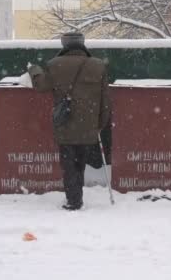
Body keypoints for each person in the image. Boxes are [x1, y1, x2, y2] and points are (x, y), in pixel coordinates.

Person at [28, 31, 110, 211]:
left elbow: (41, 86)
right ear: (82, 43)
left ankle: (73, 200)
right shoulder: (98, 66)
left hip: (65, 122)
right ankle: (76, 196)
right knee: (79, 162)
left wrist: (34, 70)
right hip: (88, 125)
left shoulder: (54, 64)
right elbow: (105, 102)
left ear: (64, 45)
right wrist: (99, 125)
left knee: (68, 164)